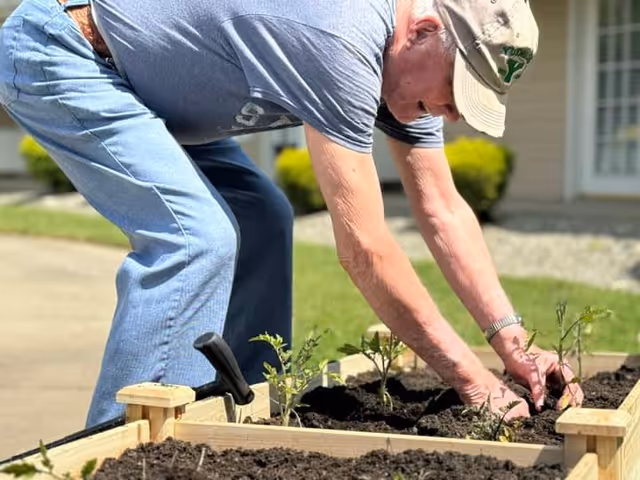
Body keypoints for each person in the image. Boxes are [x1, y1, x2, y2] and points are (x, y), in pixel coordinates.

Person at [0, 0, 583, 427]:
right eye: (457, 87)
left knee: (263, 217)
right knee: (194, 238)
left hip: (157, 89)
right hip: (67, 53)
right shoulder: (337, 37)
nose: (453, 113)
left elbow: (443, 210)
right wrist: (469, 378)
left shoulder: (408, 68)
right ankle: (123, 449)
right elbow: (365, 249)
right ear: (426, 30)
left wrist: (513, 345)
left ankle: (240, 412)